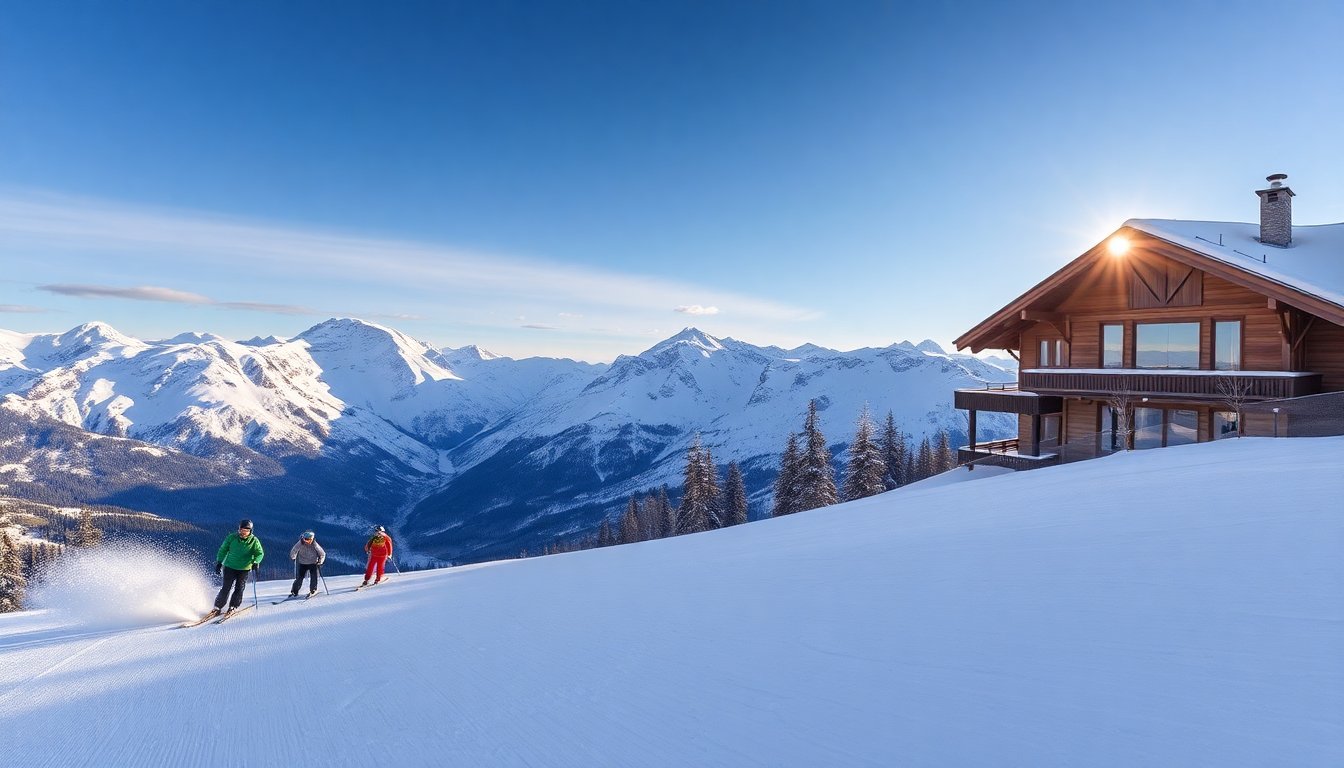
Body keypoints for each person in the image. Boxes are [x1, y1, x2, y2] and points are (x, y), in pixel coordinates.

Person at [213, 519, 264, 613]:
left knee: (239, 588)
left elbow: (259, 553)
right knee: (226, 587)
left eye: (246, 531)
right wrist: (219, 562)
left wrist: (256, 562)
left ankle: (233, 606)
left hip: (244, 569)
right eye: (242, 530)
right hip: (230, 567)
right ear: (239, 529)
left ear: (250, 531)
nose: (244, 533)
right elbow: (223, 549)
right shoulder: (232, 538)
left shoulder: (254, 541)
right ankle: (217, 606)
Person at [288, 530, 325, 597]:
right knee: (299, 578)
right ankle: (294, 591)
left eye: (308, 540)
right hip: (302, 563)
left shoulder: (315, 544)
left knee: (314, 577)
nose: (306, 541)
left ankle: (313, 590)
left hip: (313, 563)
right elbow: (294, 550)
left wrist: (320, 561)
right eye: (305, 539)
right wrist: (293, 556)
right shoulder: (300, 543)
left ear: (312, 539)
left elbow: (322, 554)